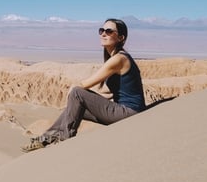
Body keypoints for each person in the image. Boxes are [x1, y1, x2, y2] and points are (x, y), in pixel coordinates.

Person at [21, 18, 146, 152]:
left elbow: (84, 85)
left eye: (109, 31)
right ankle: (45, 139)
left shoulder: (119, 59)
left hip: (129, 113)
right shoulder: (114, 58)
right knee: (74, 108)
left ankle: (64, 141)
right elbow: (110, 93)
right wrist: (74, 104)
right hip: (123, 111)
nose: (103, 34)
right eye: (101, 30)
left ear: (121, 38)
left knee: (77, 93)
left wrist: (73, 91)